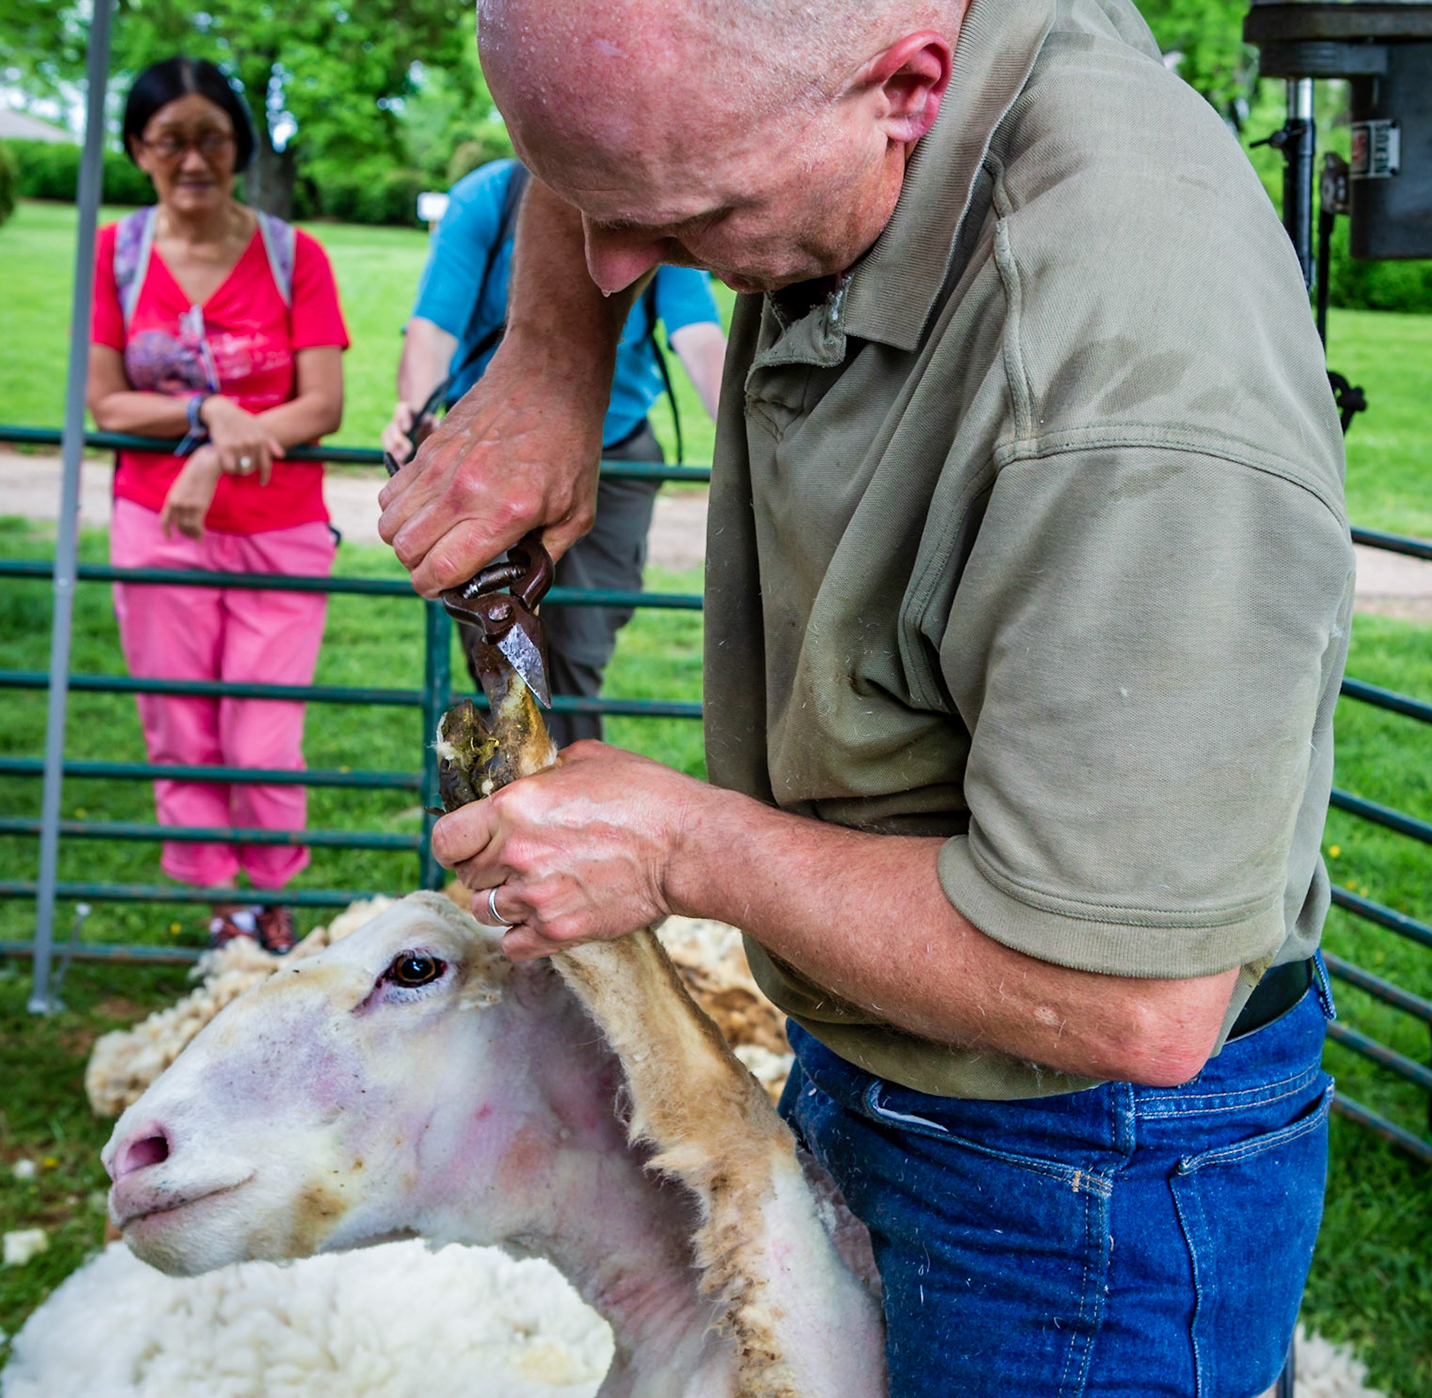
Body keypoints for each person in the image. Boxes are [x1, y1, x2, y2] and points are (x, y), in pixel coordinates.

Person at [382, 3, 1353, 1393]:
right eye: (597, 209)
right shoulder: (797, 87)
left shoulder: (1130, 388)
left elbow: (1135, 997)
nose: (616, 264)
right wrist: (550, 357)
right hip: (879, 1043)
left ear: (907, 90)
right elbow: (614, 123)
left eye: (680, 218)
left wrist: (678, 848)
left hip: (1081, 1168)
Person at [88, 56, 350, 953]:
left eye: (213, 138)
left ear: (239, 147)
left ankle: (272, 901)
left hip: (280, 528)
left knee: (262, 737)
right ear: (137, 149)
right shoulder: (116, 255)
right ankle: (218, 915)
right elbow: (107, 402)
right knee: (179, 724)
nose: (193, 159)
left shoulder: (292, 255)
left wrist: (214, 455)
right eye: (171, 140)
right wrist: (208, 412)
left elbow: (322, 405)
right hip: (157, 528)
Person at [381, 157, 726, 746]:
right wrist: (416, 417)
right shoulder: (486, 199)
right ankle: (521, 782)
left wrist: (748, 442)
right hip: (494, 459)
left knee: (576, 651)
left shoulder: (645, 190)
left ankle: (556, 788)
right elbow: (434, 326)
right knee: (498, 651)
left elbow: (697, 333)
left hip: (614, 456)